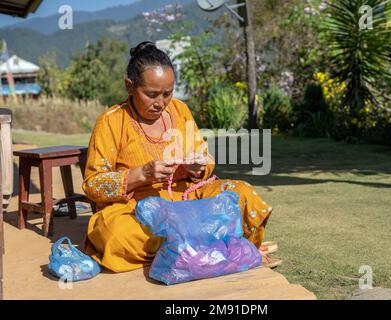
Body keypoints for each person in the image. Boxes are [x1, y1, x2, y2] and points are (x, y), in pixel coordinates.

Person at [82, 41, 281, 273]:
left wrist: (197, 166)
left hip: (189, 199)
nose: (161, 103)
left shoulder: (179, 110)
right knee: (115, 234)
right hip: (137, 209)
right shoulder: (111, 121)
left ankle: (184, 248)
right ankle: (214, 247)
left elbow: (205, 159)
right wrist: (142, 174)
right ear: (129, 86)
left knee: (244, 196)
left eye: (167, 94)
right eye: (152, 94)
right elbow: (93, 185)